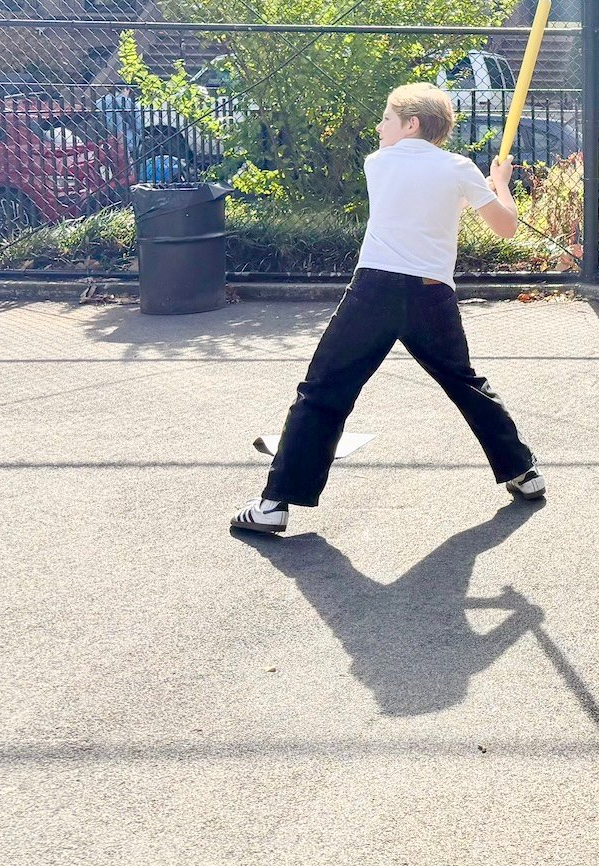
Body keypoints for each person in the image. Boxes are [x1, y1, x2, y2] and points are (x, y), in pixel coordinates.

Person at [231, 83, 545, 536]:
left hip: (375, 291)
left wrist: (479, 184)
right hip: (431, 294)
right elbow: (507, 228)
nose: (379, 128)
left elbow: (416, 188)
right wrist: (498, 184)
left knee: (323, 391)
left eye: (387, 119)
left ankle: (274, 503)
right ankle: (522, 472)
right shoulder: (458, 168)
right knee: (466, 384)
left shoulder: (377, 164)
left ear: (411, 124)